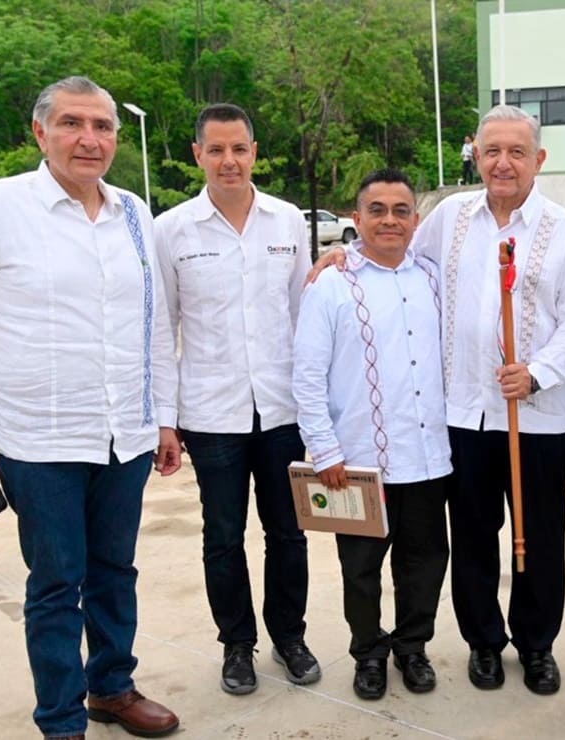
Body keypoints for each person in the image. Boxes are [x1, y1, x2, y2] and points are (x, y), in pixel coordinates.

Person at [309, 105, 565, 695]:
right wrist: (341, 256)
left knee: (539, 538)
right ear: (476, 154)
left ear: (538, 160)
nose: (503, 163)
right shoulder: (448, 218)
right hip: (461, 418)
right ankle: (484, 644)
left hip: (536, 419)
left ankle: (537, 644)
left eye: (517, 152)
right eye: (492, 150)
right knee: (470, 537)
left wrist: (539, 372)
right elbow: (396, 255)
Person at [0, 76, 181, 739]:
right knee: (55, 584)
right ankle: (61, 720)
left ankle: (111, 687)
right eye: (72, 124)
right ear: (40, 133)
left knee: (114, 572)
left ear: (116, 139)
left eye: (102, 127)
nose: (88, 139)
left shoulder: (133, 210)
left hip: (122, 435)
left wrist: (162, 416)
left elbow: (154, 322)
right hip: (36, 441)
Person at [153, 103, 318, 696]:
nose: (229, 161)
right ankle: (237, 645)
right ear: (197, 154)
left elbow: (306, 315)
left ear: (254, 151)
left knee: (289, 534)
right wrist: (165, 421)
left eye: (240, 149)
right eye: (216, 150)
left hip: (282, 410)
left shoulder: (286, 222)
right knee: (223, 535)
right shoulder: (171, 229)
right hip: (210, 414)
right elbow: (160, 329)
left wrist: (320, 407)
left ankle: (289, 637)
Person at [292, 168, 451, 702]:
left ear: (416, 220)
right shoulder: (331, 284)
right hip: (358, 462)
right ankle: (369, 654)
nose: (389, 219)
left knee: (425, 563)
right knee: (360, 571)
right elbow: (308, 376)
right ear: (355, 219)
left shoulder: (432, 278)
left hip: (429, 459)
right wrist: (326, 449)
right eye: (377, 210)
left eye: (400, 210)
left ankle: (412, 647)